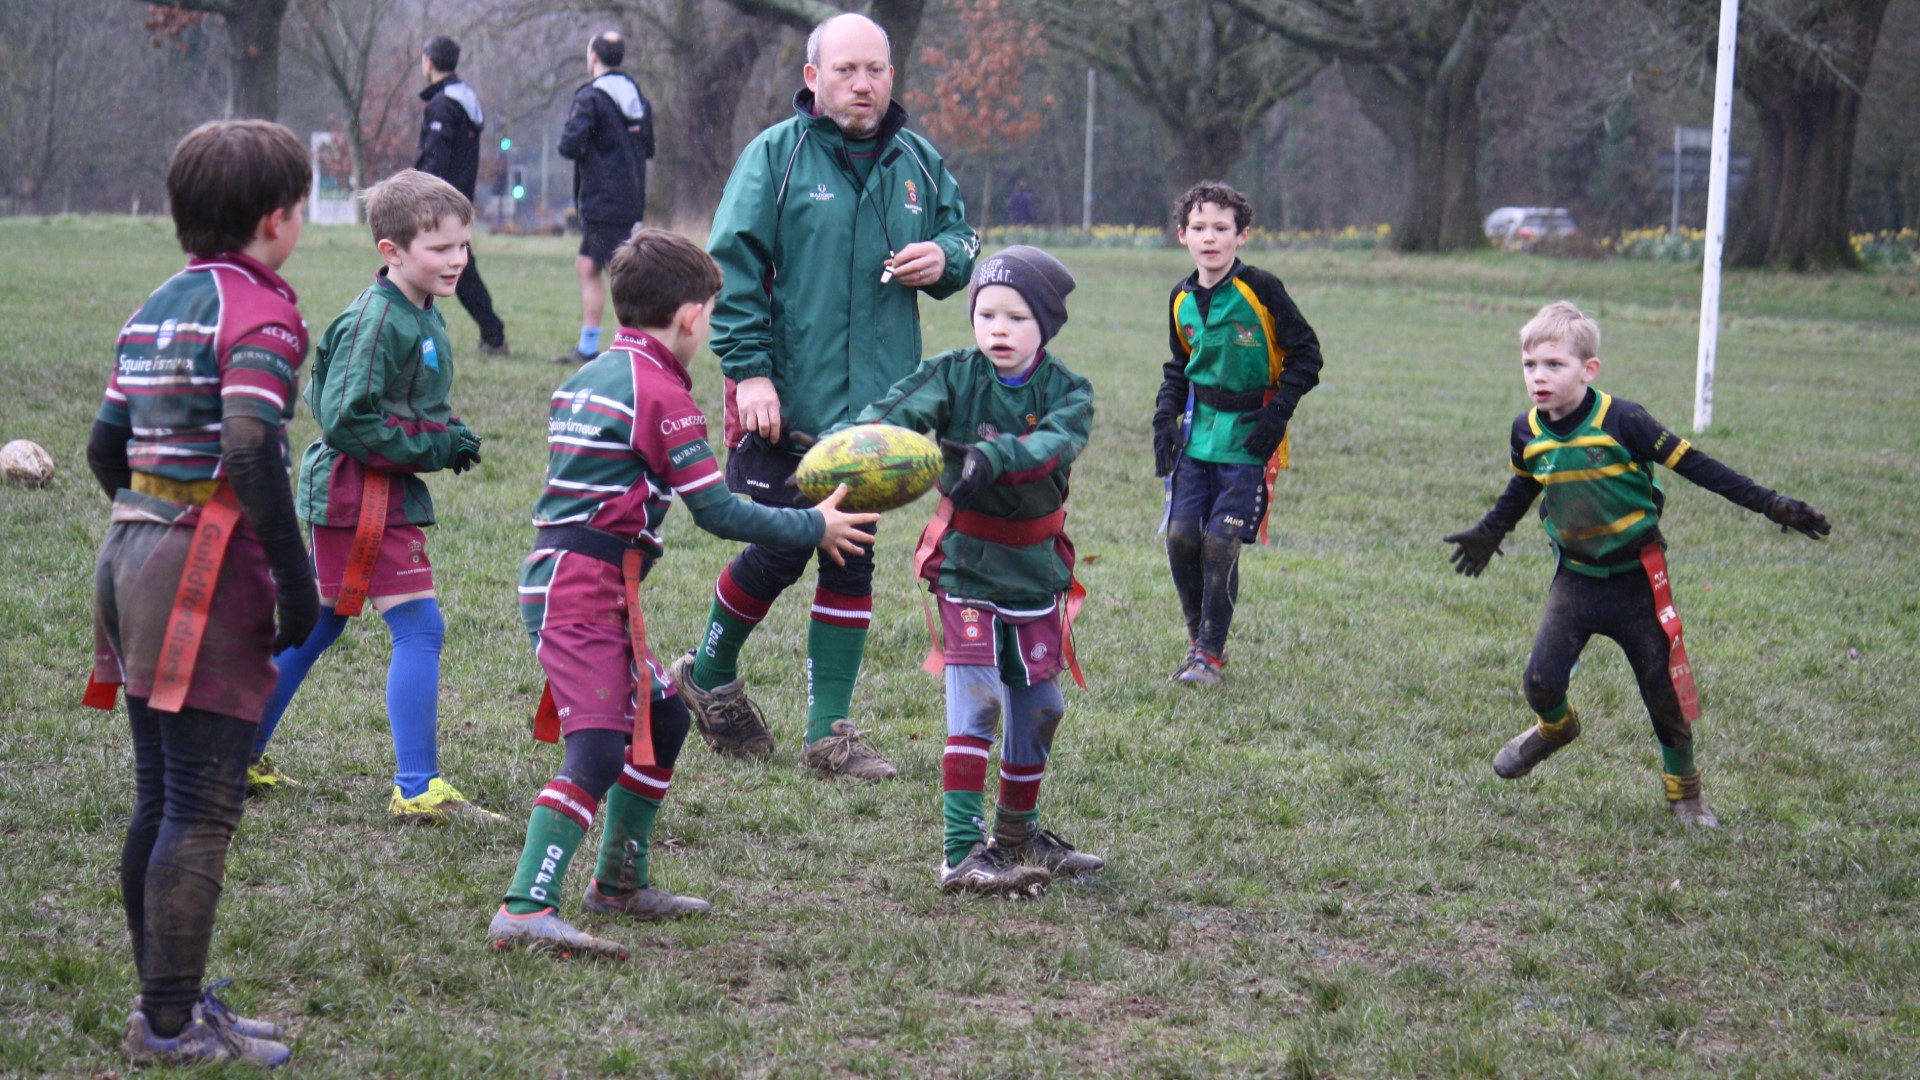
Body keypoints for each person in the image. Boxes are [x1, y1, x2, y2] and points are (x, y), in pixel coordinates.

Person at [487, 229, 878, 957]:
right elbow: (720, 510)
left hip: (579, 578)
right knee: (599, 750)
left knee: (664, 719)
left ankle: (619, 885)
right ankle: (525, 906)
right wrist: (812, 523)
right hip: (580, 589)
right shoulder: (661, 393)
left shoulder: (592, 373)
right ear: (694, 317)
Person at [675, 12, 980, 780]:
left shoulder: (916, 160)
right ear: (813, 78)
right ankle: (706, 674)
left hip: (877, 416)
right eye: (846, 70)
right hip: (787, 406)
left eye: (875, 69)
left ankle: (828, 735)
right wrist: (749, 372)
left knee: (851, 560)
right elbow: (729, 272)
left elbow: (964, 239)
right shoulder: (774, 157)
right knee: (782, 547)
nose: (863, 83)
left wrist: (942, 255)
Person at [86, 118, 314, 1067]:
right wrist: (294, 576)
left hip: (128, 550)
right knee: (203, 805)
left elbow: (106, 445)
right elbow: (251, 444)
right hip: (199, 572)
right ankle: (171, 1024)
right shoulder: (261, 312)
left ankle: (163, 1005)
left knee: (160, 793)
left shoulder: (156, 303)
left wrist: (153, 521)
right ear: (277, 219)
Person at [1443, 300, 1832, 828]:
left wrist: (1771, 503)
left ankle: (1686, 795)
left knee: (1664, 696)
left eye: (1554, 365)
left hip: (1637, 581)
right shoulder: (1527, 430)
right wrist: (1492, 530)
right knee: (1540, 683)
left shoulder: (1624, 420)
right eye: (1530, 365)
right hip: (1576, 580)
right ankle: (1555, 730)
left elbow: (1699, 467)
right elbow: (1525, 484)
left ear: (1589, 369)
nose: (1539, 376)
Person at [246, 169, 499, 824]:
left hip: (379, 492)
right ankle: (416, 786)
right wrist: (436, 446)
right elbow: (347, 419)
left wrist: (444, 431)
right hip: (361, 497)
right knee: (419, 625)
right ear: (391, 250)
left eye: (462, 246)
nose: (456, 260)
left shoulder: (421, 310)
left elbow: (402, 405)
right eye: (439, 248)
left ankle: (235, 752)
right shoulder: (374, 320)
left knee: (321, 620)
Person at [852, 246, 1102, 894]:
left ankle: (1017, 836)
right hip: (965, 570)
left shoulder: (1069, 392)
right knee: (979, 702)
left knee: (1042, 706)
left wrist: (994, 457)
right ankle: (961, 853)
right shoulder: (953, 374)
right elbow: (889, 415)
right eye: (986, 313)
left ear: (1044, 326)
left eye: (1016, 317)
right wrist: (856, 447)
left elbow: (1054, 443)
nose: (997, 328)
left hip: (1035, 572)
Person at [1151, 181, 1322, 685]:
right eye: (1199, 227)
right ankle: (1196, 640)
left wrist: (1277, 414)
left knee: (1221, 541)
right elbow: (1178, 366)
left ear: (1241, 235)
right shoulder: (1180, 298)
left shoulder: (1261, 288)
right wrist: (1164, 419)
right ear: (1182, 235)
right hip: (1196, 437)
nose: (1210, 237)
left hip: (1249, 438)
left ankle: (1210, 653)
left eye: (1221, 228)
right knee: (1182, 537)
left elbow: (1308, 356)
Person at [552, 31, 655, 365]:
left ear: (593, 57)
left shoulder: (591, 97)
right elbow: (648, 147)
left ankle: (639, 347)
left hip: (602, 199)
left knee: (619, 273)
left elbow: (569, 144)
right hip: (629, 195)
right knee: (588, 266)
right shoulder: (637, 96)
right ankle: (589, 345)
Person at [416, 35, 509, 357]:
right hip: (458, 200)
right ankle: (493, 334)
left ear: (429, 62)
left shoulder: (443, 104)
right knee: (459, 270)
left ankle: (490, 336)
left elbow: (435, 159)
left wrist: (420, 195)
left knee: (416, 266)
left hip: (439, 203)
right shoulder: (465, 100)